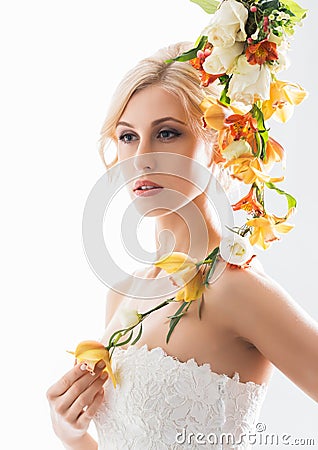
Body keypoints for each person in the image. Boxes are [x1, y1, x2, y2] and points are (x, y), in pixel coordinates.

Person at [46, 41, 318, 450]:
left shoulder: (235, 289)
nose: (141, 157)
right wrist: (72, 433)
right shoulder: (122, 293)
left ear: (218, 142)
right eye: (127, 136)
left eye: (167, 133)